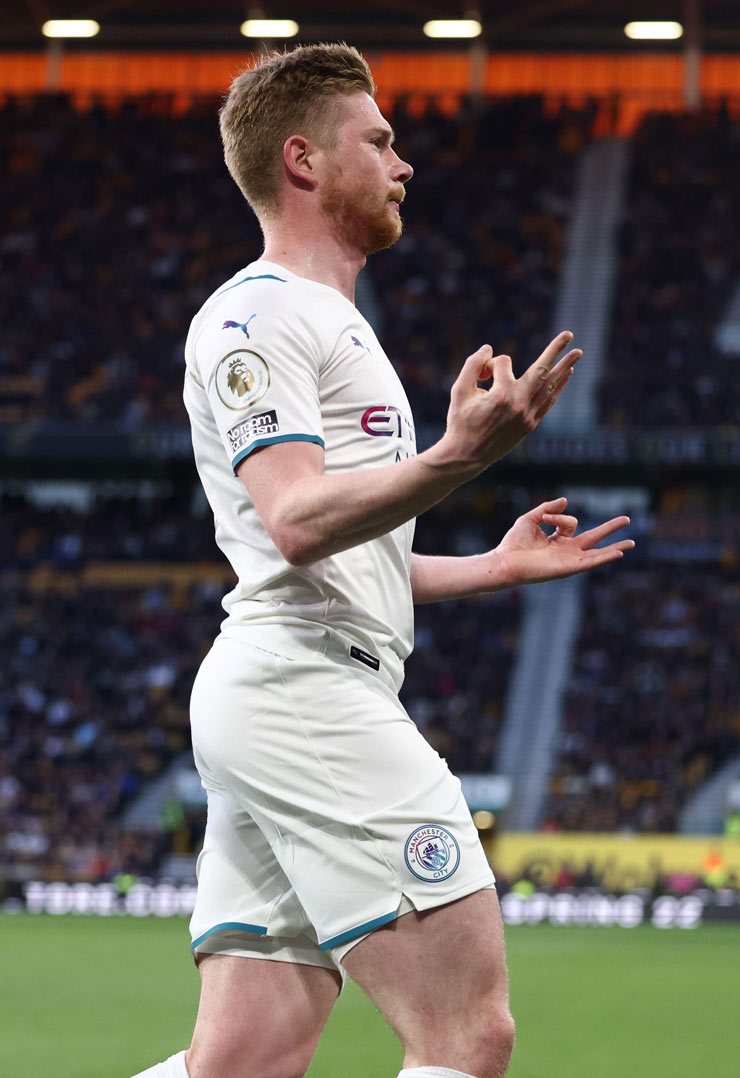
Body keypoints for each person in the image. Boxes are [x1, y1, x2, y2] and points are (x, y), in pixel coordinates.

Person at [131, 43, 633, 1078]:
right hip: (305, 689)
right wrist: (455, 458)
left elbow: (340, 556)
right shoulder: (259, 313)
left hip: (288, 687)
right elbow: (296, 522)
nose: (403, 164)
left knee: (244, 1060)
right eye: (380, 140)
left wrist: (487, 569)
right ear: (304, 160)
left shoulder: (327, 320)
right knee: (466, 1033)